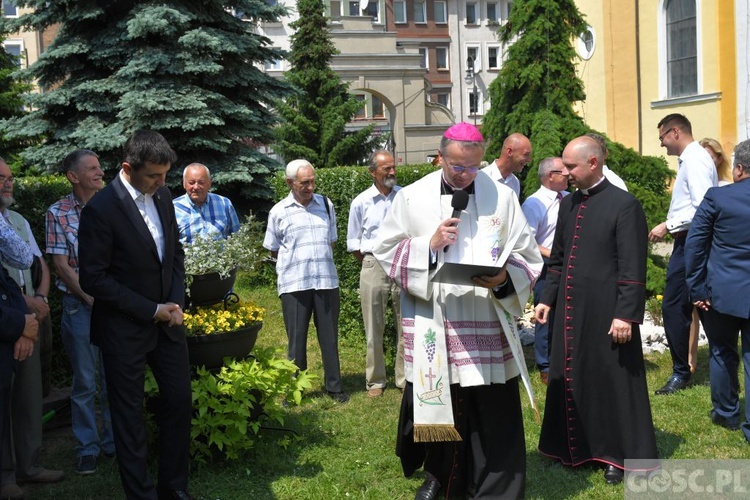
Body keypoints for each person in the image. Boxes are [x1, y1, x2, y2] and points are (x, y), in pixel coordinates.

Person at [373, 123, 542, 499]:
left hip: (487, 317)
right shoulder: (412, 198)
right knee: (441, 404)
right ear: (441, 156)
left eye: (473, 167)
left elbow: (527, 256)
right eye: (456, 167)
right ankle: (441, 477)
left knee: (492, 412)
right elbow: (385, 249)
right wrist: (427, 246)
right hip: (436, 317)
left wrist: (502, 278)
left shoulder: (502, 197)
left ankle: (497, 486)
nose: (465, 175)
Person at [535, 136, 657, 485]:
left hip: (608, 311)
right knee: (573, 374)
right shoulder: (569, 204)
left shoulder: (624, 205)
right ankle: (573, 448)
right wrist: (547, 298)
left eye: (571, 166)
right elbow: (558, 259)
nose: (565, 172)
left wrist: (626, 315)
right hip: (571, 311)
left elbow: (633, 266)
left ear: (593, 163)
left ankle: (617, 456)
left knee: (610, 381)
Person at [79, 130, 193, 500]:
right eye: (154, 176)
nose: (163, 184)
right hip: (123, 330)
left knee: (178, 402)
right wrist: (151, 310)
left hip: (168, 325)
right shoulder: (100, 209)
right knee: (129, 418)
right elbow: (93, 278)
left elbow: (174, 255)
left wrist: (174, 303)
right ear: (128, 168)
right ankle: (141, 494)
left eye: (165, 176)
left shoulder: (161, 197)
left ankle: (173, 487)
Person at [46, 150, 115, 476]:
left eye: (100, 167)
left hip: (114, 307)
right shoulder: (57, 213)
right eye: (92, 169)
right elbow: (61, 266)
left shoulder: (112, 206)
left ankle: (115, 442)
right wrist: (91, 298)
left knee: (114, 377)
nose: (100, 173)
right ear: (74, 176)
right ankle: (87, 447)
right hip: (80, 307)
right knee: (86, 382)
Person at [0, 159, 64, 499]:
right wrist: (24, 311)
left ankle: (30, 465)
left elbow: (37, 263)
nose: (8, 184)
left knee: (27, 396)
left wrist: (39, 299)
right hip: (8, 319)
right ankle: (6, 475)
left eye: (10, 178)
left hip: (27, 316)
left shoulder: (18, 222)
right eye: (1, 179)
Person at [263, 160, 349, 404]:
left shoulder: (326, 204)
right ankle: (294, 390)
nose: (310, 186)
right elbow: (273, 249)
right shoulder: (278, 211)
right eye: (304, 182)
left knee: (330, 338)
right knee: (296, 339)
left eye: (312, 181)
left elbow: (331, 241)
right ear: (290, 183)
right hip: (294, 284)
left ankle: (334, 387)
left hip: (325, 280)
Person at [685, 138, 750, 439]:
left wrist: (697, 289)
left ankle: (726, 414)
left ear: (738, 168)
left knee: (722, 351)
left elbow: (695, 246)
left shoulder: (717, 198)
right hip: (726, 292)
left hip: (721, 294)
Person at [649, 114, 717, 395]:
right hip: (688, 241)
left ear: (674, 132)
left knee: (675, 306)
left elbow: (704, 206)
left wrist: (668, 225)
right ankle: (706, 365)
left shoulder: (695, 159)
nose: (662, 144)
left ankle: (682, 372)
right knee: (687, 305)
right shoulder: (692, 159)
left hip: (692, 241)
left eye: (662, 137)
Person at [346, 150, 404, 398]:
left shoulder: (405, 197)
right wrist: (372, 261)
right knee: (374, 326)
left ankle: (405, 379)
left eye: (393, 167)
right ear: (372, 172)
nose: (391, 172)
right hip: (373, 263)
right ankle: (376, 381)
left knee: (406, 324)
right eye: (385, 169)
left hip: (403, 263)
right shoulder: (361, 202)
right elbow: (354, 243)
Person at [521, 157, 569, 385]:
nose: (568, 174)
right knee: (545, 315)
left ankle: (567, 358)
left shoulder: (570, 199)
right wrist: (555, 255)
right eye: (563, 171)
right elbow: (526, 241)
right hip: (547, 268)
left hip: (572, 265)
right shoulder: (534, 204)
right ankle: (545, 365)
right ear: (551, 175)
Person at [0, 216, 38, 500]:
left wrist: (25, 325)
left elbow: (24, 262)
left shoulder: (13, 221)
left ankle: (25, 467)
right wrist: (19, 325)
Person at [172, 163, 240, 244]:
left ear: (209, 183)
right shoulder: (174, 208)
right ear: (184, 183)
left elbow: (237, 237)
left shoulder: (224, 204)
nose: (196, 187)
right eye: (191, 182)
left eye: (201, 182)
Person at [481, 133, 532, 197]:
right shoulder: (483, 177)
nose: (529, 160)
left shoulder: (514, 182)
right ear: (509, 152)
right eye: (525, 154)